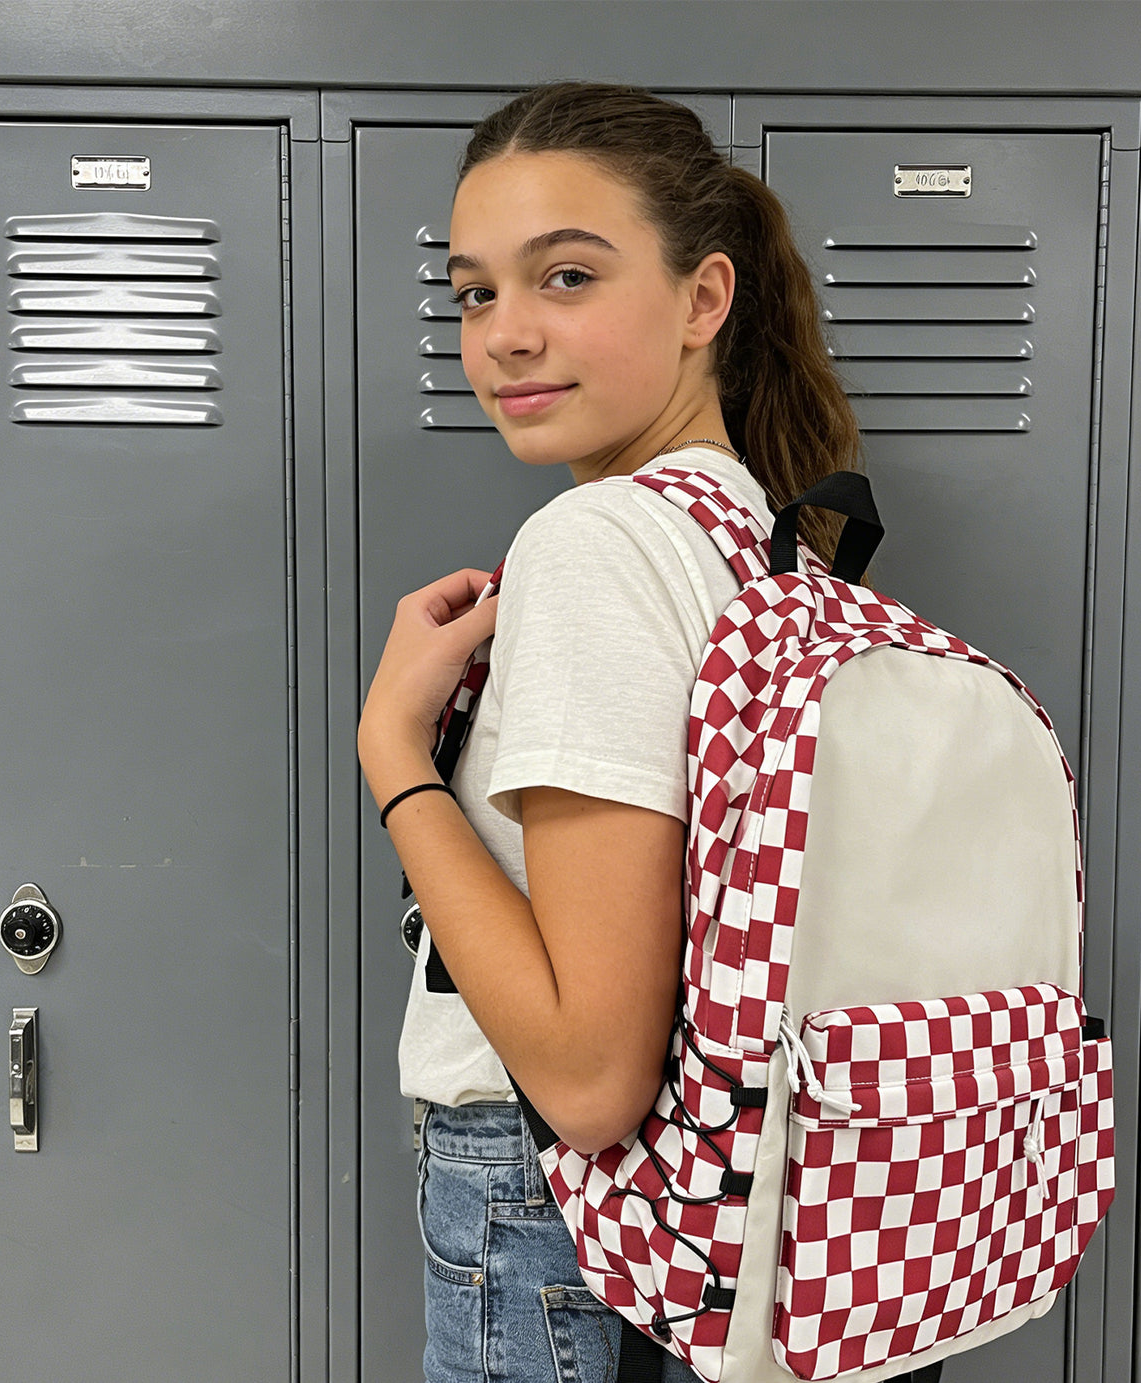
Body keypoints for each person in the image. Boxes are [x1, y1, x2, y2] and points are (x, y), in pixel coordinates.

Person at [358, 80, 938, 1383]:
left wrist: (393, 751)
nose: (505, 335)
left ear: (704, 299)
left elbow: (588, 1076)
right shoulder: (760, 536)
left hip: (549, 1203)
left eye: (565, 277)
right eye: (474, 291)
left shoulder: (597, 543)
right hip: (704, 1199)